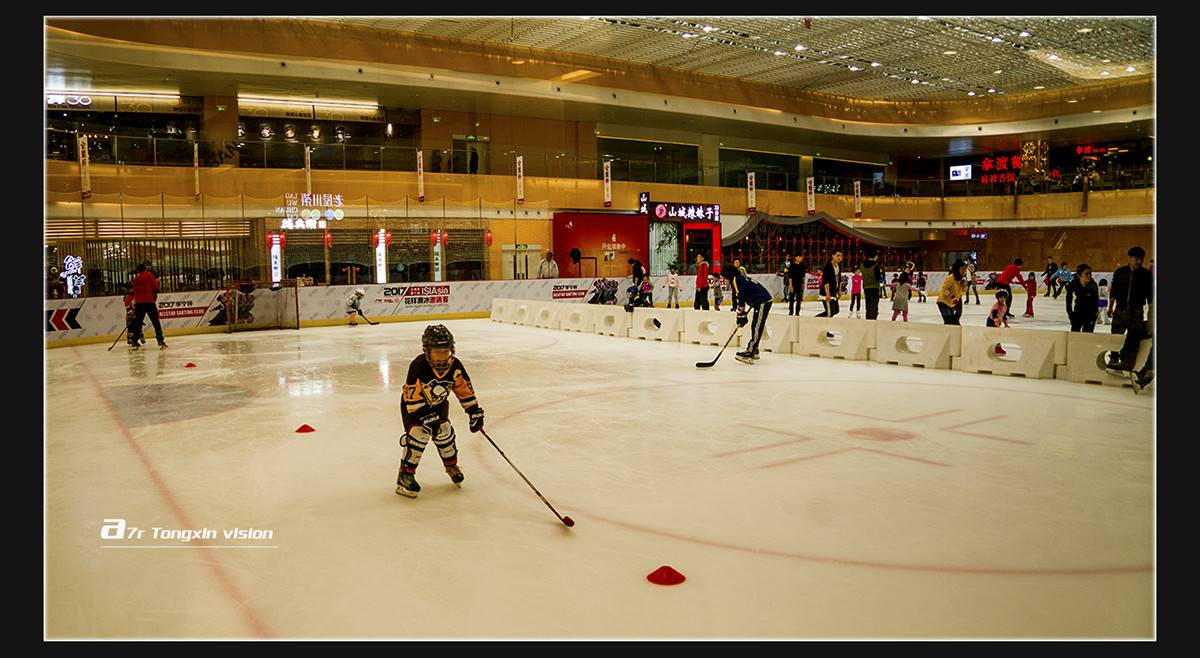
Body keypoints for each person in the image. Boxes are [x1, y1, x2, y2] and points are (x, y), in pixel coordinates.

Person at [396, 324, 485, 498]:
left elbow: (463, 389)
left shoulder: (455, 366)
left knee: (445, 432)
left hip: (438, 405)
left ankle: (451, 466)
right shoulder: (419, 366)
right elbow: (411, 398)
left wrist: (473, 411)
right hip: (414, 409)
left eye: (445, 351)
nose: (442, 356)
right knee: (418, 435)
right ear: (427, 351)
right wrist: (424, 417)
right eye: (437, 352)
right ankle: (405, 476)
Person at [722, 263, 773, 365]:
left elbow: (741, 297)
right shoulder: (739, 278)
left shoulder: (737, 280)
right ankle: (754, 349)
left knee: (757, 326)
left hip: (763, 301)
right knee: (755, 325)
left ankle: (751, 350)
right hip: (759, 302)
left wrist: (742, 313)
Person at [1108, 246, 1154, 336]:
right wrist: (1110, 307)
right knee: (1116, 338)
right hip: (1120, 310)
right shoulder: (1120, 272)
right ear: (1129, 258)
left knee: (1134, 339)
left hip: (1136, 312)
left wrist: (1151, 311)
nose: (1139, 262)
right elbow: (1114, 290)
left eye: (1141, 259)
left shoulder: (1146, 274)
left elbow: (1150, 294)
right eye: (1136, 259)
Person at [129, 263, 167, 348]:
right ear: (145, 269)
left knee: (138, 323)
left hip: (139, 303)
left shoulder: (135, 279)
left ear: (138, 271)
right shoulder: (149, 276)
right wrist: (153, 294)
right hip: (149, 301)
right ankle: (160, 339)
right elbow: (156, 287)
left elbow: (135, 292)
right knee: (155, 322)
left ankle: (134, 340)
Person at [1065, 264, 1099, 332]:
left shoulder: (1092, 285)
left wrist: (1093, 316)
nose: (1089, 275)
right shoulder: (1074, 283)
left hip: (1090, 314)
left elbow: (1095, 302)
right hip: (1078, 313)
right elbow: (1068, 300)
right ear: (1079, 275)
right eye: (1086, 274)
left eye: (1090, 273)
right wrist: (1071, 315)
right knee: (1075, 334)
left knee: (1087, 336)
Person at [937, 259, 969, 325]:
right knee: (949, 322)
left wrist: (964, 283)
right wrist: (952, 296)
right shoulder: (951, 278)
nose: (964, 271)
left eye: (965, 269)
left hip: (951, 303)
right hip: (943, 302)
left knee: (955, 322)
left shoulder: (961, 279)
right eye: (962, 269)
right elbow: (944, 289)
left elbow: (964, 290)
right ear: (958, 269)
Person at [816, 249, 843, 317]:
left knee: (836, 310)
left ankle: (818, 319)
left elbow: (839, 279)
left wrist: (839, 290)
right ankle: (818, 320)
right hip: (826, 293)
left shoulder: (839, 266)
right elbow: (826, 281)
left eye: (841, 256)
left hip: (833, 292)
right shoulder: (828, 266)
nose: (839, 258)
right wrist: (827, 294)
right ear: (833, 256)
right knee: (829, 312)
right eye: (838, 255)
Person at [860, 249, 884, 319]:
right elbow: (877, 277)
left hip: (866, 287)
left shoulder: (862, 265)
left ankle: (868, 318)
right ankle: (873, 319)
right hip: (874, 287)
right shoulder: (875, 265)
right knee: (874, 305)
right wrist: (880, 276)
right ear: (875, 256)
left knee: (868, 305)